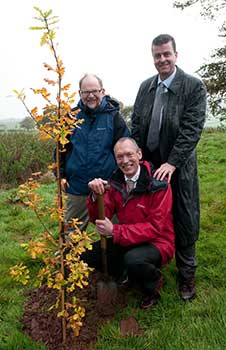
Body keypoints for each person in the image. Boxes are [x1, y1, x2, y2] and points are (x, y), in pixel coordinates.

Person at [131, 34, 207, 301]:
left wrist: (172, 163)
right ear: (152, 58)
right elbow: (138, 124)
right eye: (157, 55)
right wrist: (136, 159)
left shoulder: (193, 87)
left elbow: (191, 129)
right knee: (149, 217)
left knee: (184, 216)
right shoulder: (145, 87)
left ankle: (187, 276)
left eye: (166, 54)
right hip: (149, 166)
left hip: (179, 166)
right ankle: (149, 268)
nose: (162, 59)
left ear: (176, 55)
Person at [82, 137, 175, 309]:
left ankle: (152, 285)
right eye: (119, 157)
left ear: (139, 154)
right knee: (87, 254)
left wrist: (116, 232)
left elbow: (156, 227)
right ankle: (125, 277)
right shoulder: (115, 181)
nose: (125, 161)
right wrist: (96, 196)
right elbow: (100, 218)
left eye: (129, 154)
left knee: (134, 260)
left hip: (158, 241)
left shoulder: (159, 184)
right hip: (129, 239)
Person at [59, 74, 130, 231]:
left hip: (108, 187)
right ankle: (68, 254)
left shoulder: (114, 117)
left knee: (115, 232)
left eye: (94, 91)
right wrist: (61, 177)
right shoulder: (70, 118)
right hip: (77, 187)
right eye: (85, 92)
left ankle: (114, 255)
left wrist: (122, 180)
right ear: (79, 93)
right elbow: (60, 151)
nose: (90, 96)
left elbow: (125, 151)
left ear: (103, 91)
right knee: (72, 235)